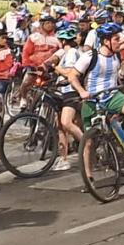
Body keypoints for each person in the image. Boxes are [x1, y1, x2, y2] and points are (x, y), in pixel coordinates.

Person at [69, 23, 124, 160]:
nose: (119, 41)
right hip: (92, 99)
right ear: (105, 41)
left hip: (112, 95)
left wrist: (119, 33)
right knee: (89, 143)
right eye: (116, 39)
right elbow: (72, 76)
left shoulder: (115, 53)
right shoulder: (90, 56)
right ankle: (89, 177)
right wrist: (81, 92)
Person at [47, 27, 85, 171]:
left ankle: (87, 144)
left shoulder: (71, 53)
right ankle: (63, 158)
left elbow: (69, 72)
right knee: (61, 127)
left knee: (66, 123)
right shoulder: (69, 53)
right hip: (63, 91)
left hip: (71, 92)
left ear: (63, 41)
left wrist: (56, 67)